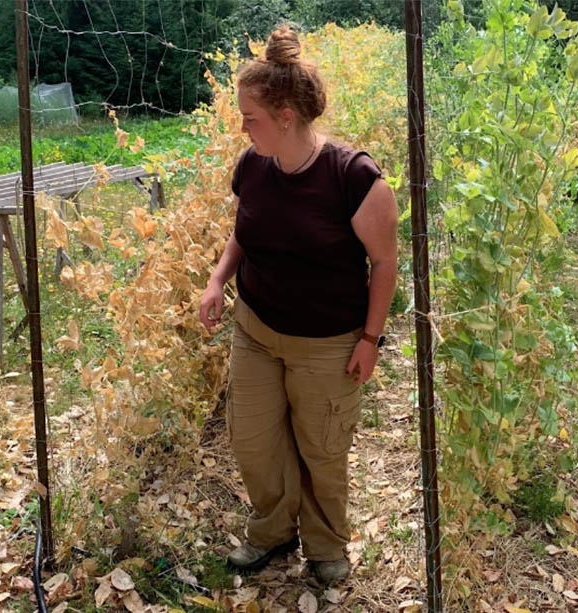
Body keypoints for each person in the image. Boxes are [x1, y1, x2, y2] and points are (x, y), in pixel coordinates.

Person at [199, 24, 398, 584]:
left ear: (286, 115)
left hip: (328, 342)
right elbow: (244, 233)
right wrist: (218, 280)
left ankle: (326, 545)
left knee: (323, 448)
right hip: (256, 327)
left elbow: (384, 264)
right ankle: (273, 531)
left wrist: (369, 339)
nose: (242, 127)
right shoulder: (253, 166)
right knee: (253, 440)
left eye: (250, 117)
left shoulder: (353, 178)